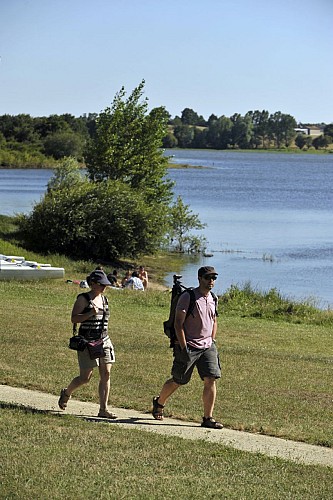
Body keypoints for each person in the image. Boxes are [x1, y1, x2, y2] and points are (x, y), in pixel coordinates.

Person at [152, 266, 223, 429]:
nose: (211, 281)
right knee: (179, 380)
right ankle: (159, 402)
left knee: (211, 379)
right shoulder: (188, 297)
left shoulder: (213, 297)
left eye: (214, 278)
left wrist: (212, 340)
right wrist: (184, 348)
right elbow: (178, 324)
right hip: (189, 346)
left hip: (208, 346)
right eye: (208, 277)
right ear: (199, 278)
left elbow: (214, 321)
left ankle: (208, 418)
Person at [58, 270, 117, 419]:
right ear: (93, 284)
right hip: (88, 342)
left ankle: (103, 409)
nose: (104, 287)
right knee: (85, 378)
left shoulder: (105, 299)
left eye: (106, 284)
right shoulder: (83, 299)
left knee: (106, 373)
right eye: (101, 284)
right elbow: (74, 319)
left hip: (104, 340)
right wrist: (89, 313)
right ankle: (66, 392)